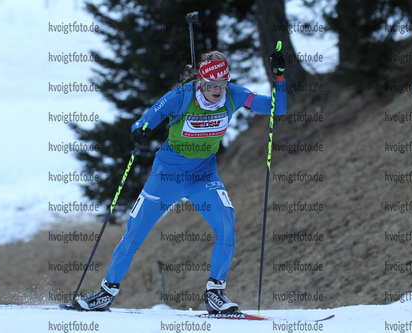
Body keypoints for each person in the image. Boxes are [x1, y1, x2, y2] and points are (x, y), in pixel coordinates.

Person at [71, 50, 287, 313]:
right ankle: (106, 292)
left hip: (203, 176)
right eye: (212, 85)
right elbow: (144, 120)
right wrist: (141, 130)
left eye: (222, 84)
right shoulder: (181, 96)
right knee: (134, 233)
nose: (218, 91)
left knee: (227, 221)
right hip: (167, 177)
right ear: (201, 83)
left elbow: (278, 107)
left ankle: (215, 294)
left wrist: (279, 76)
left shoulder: (235, 94)